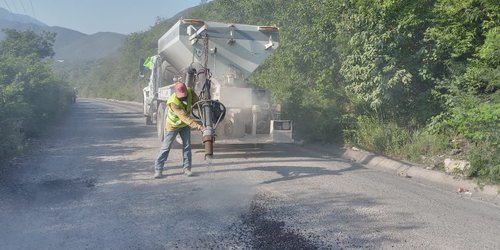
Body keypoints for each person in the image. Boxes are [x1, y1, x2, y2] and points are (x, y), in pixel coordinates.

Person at [153, 81, 203, 179]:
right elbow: (184, 117)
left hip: (184, 125)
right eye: (181, 96)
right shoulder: (173, 102)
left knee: (187, 147)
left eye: (184, 95)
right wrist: (199, 127)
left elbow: (196, 102)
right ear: (175, 93)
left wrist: (202, 106)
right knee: (166, 147)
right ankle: (158, 169)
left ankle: (187, 168)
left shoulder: (189, 91)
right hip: (173, 126)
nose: (183, 97)